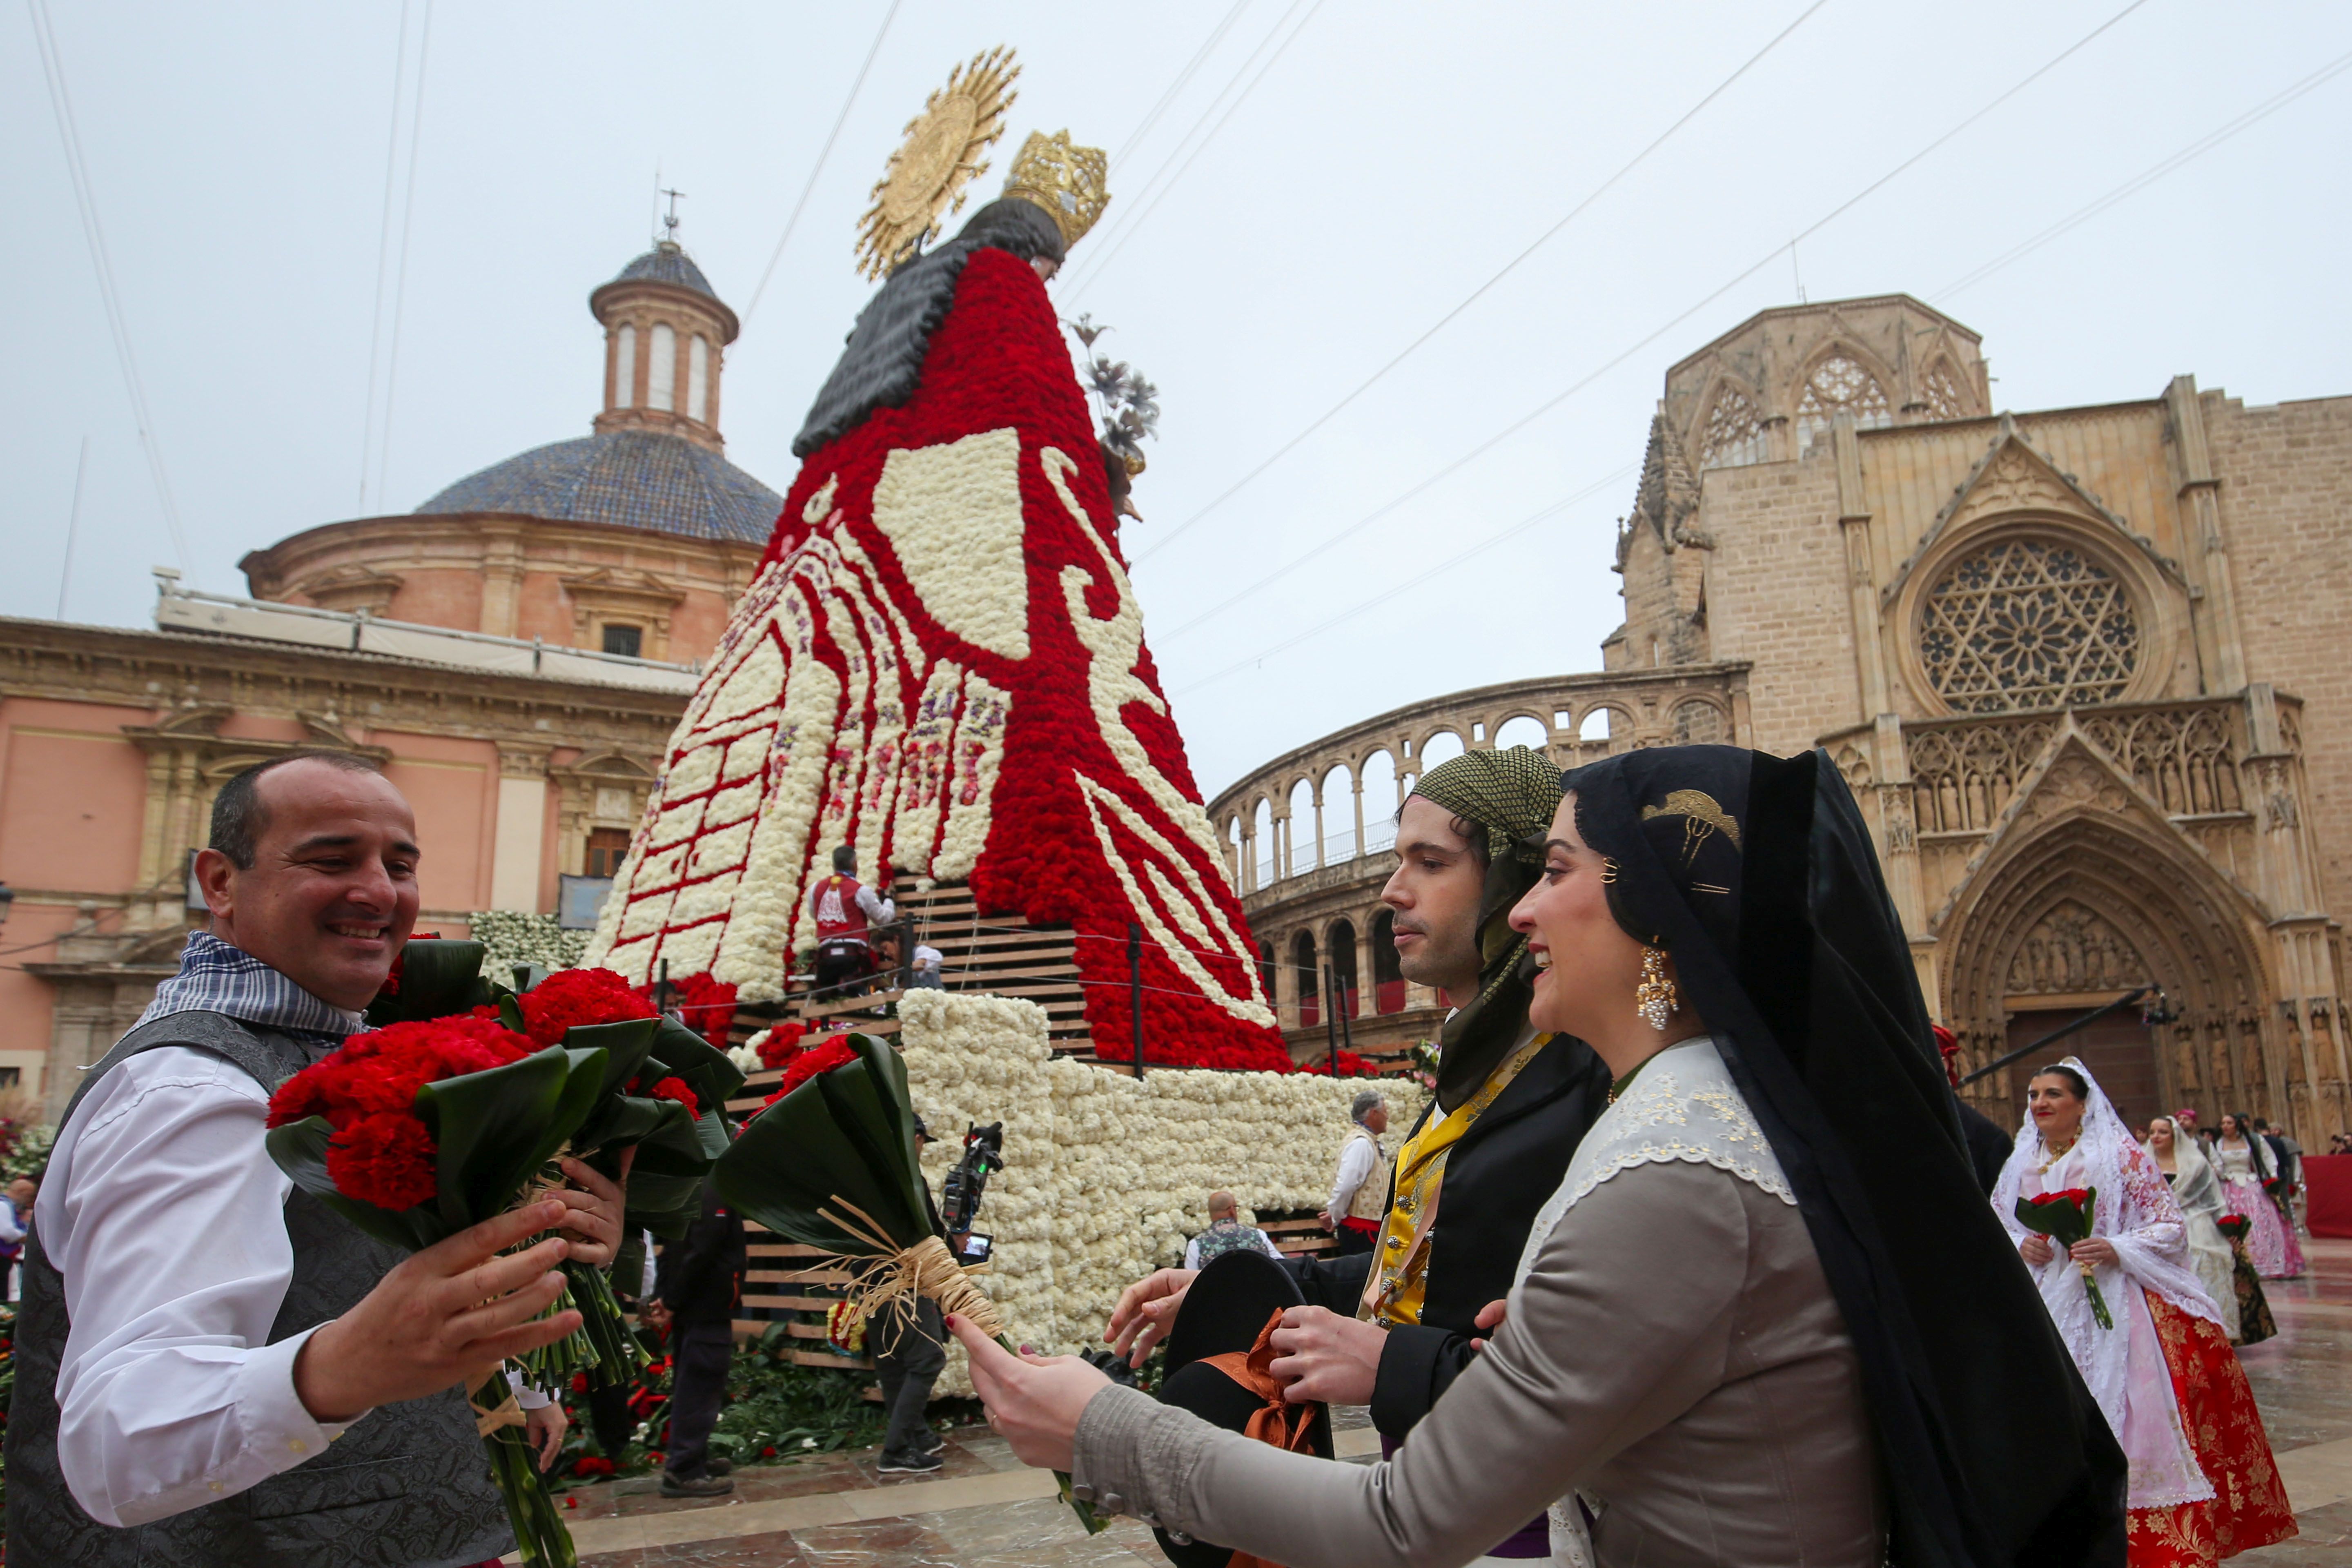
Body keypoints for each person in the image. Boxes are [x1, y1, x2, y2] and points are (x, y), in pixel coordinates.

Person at [965, 745, 2129, 1568]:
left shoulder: (1672, 1172)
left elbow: (1403, 1525)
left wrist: (1099, 1431)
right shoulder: (1694, 1122)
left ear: (1660, 921)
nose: (1524, 914)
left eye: (1557, 872)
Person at [6, 751, 624, 1563]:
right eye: (332, 860)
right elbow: (119, 1442)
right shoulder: (192, 1092)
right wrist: (340, 1368)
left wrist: (552, 1256)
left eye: (399, 865)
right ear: (220, 883)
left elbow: (379, 1287)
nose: (379, 891)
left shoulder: (331, 1055)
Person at [1998, 1063, 2293, 1562]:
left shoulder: (2117, 1157)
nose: (2039, 1103)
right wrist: (2022, 1243)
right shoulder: (2020, 1160)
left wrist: (2114, 1247)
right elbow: (1997, 1222)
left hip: (2115, 1300)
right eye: (2033, 1095)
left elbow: (2168, 1226)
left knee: (2130, 1413)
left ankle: (2139, 1534)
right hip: (2045, 1296)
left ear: (2083, 1104)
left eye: (2052, 1094)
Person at [649, 1180, 746, 1497]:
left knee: (693, 1383)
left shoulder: (691, 1190)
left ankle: (695, 1458)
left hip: (695, 1309)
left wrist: (665, 1296)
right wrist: (672, 1300)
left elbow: (672, 1249)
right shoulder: (713, 1192)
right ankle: (684, 1470)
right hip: (705, 1309)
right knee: (700, 1386)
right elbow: (699, 1251)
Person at [872, 1116, 949, 1475]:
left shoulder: (871, 1176)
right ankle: (898, 1449)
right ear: (916, 1138)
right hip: (905, 1282)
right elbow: (929, 1231)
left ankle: (916, 1436)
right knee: (927, 1359)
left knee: (894, 1365)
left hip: (872, 1283)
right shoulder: (907, 1178)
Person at [2143, 1117, 2242, 1343]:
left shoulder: (2195, 1163)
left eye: (2163, 1132)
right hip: (2158, 1227)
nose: (2156, 1137)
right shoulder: (2144, 1164)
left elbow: (2214, 1200)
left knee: (2203, 1276)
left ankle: (2210, 1332)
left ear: (2174, 1136)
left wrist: (2228, 1229)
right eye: (2153, 1132)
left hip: (2197, 1225)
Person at [2214, 1112, 2302, 1278]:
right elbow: (2216, 1164)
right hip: (2229, 1184)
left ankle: (2267, 1262)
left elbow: (2268, 1158)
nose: (2225, 1126)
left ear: (2237, 1125)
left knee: (2262, 1222)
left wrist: (2272, 1177)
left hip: (2251, 1184)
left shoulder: (2252, 1141)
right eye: (2223, 1123)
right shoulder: (2218, 1144)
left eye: (2229, 1123)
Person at [809, 846, 895, 998]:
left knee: (827, 1001)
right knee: (856, 997)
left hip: (826, 955)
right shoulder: (860, 890)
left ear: (834, 865)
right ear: (855, 864)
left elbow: (814, 914)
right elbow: (883, 919)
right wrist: (889, 899)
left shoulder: (815, 889)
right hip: (853, 956)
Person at [1319, 1091, 1390, 1256]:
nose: (1387, 1117)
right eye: (1385, 1111)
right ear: (1374, 1113)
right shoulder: (1361, 1144)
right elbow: (1346, 1186)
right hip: (1362, 1231)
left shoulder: (1366, 1141)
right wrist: (1334, 1216)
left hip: (1366, 1229)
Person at [1183, 1192, 1280, 1271]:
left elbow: (1190, 1281)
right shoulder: (1259, 1235)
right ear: (1232, 1210)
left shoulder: (1196, 1244)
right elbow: (1281, 1264)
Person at [0, 1176, 33, 1302]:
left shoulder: (9, 1206)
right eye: (29, 1196)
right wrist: (26, 1237)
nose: (28, 1201)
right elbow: (7, 1233)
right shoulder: (3, 1205)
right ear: (22, 1193)